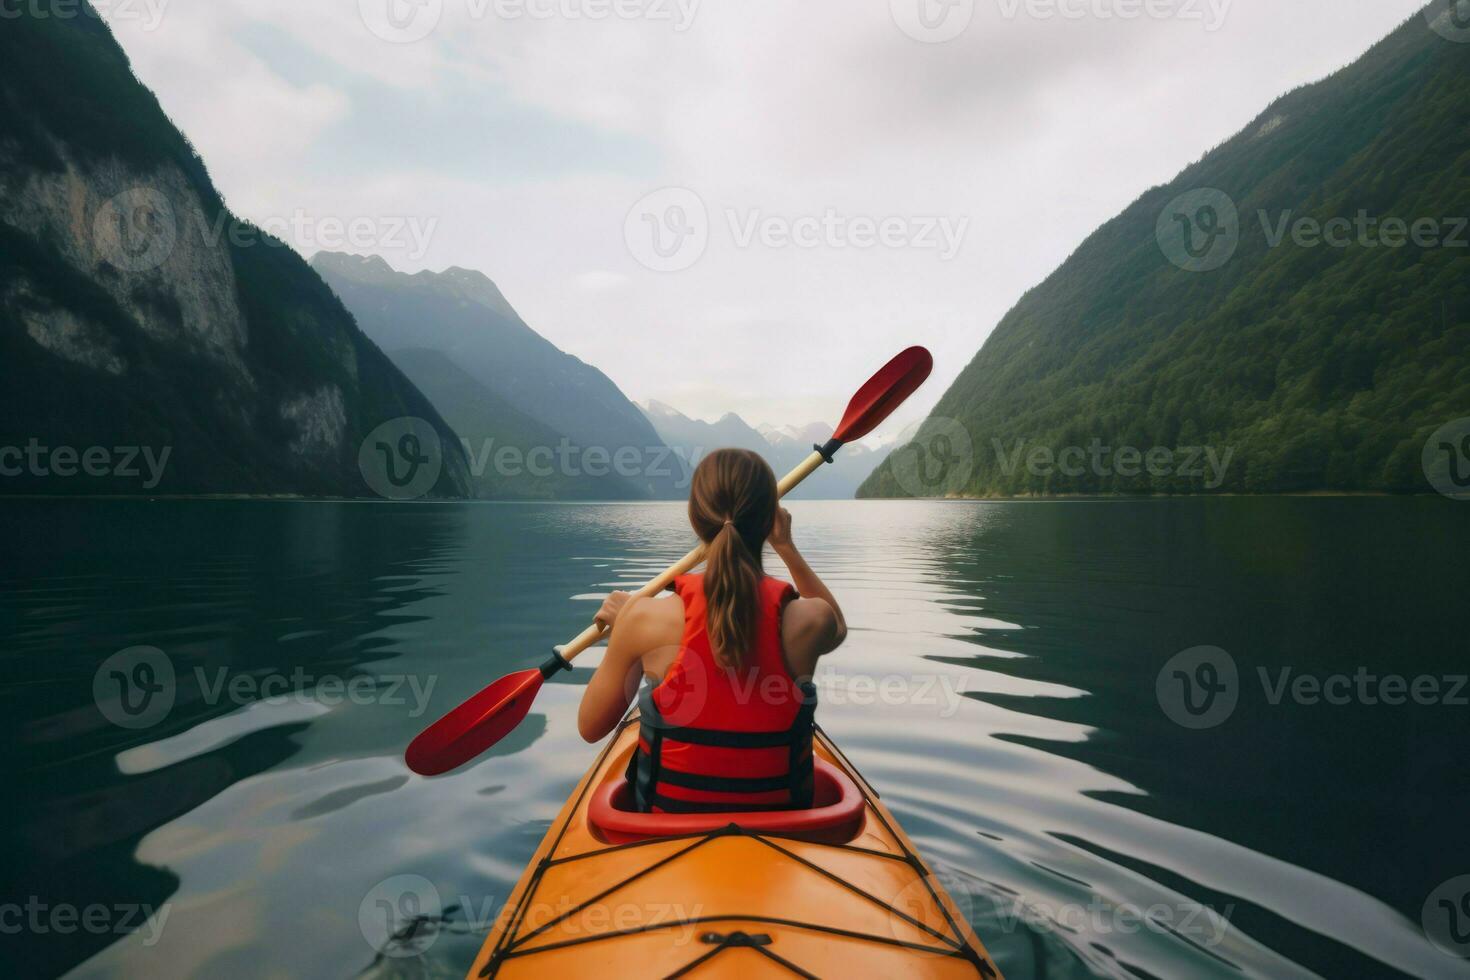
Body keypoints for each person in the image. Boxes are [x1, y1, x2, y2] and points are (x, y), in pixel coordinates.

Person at [578, 448, 847, 813]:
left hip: (664, 826)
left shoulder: (642, 620)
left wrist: (626, 626)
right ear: (771, 519)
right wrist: (786, 547)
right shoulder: (812, 619)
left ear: (694, 518)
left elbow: (590, 727)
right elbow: (838, 626)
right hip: (784, 824)